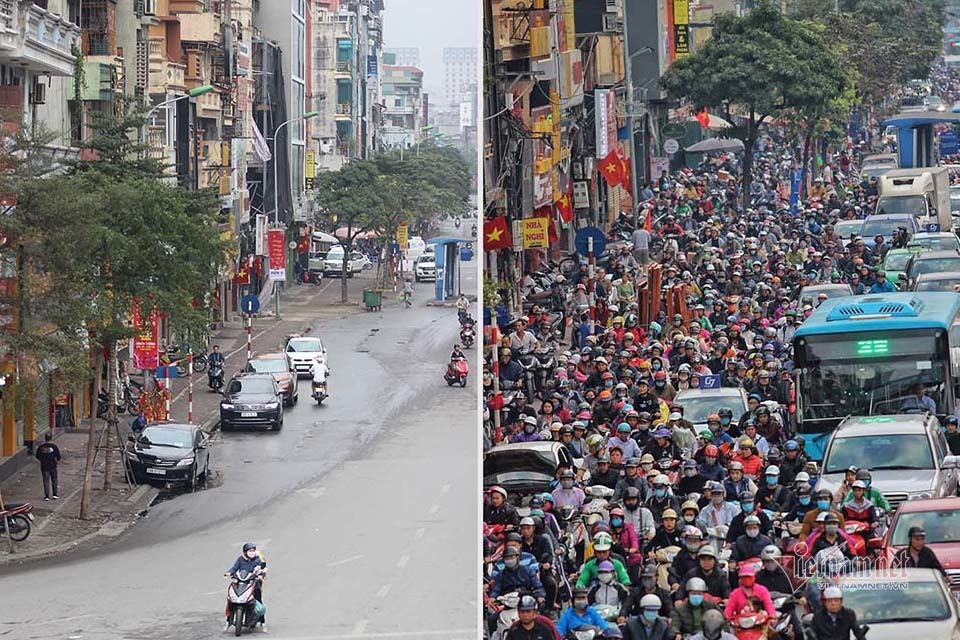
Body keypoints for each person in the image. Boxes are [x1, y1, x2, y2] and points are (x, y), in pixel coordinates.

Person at [224, 542, 267, 631]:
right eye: (250, 551)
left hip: (253, 583)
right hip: (241, 583)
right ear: (245, 552)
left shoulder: (257, 560)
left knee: (258, 599)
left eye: (253, 551)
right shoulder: (240, 559)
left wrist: (260, 576)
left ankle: (262, 622)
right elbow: (234, 568)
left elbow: (261, 570)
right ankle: (228, 621)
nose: (252, 552)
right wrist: (229, 573)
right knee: (231, 599)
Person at [35, 432, 61, 501]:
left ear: (45, 438)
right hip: (53, 466)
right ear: (51, 438)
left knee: (46, 481)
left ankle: (46, 496)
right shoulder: (54, 447)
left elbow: (37, 456)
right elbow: (58, 456)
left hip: (44, 466)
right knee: (54, 479)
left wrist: (42, 460)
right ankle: (55, 494)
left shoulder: (41, 447)